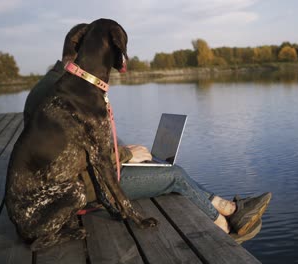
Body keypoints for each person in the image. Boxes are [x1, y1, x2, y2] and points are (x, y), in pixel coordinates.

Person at [23, 23, 271, 243]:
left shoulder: (55, 84)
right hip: (88, 188)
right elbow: (78, 162)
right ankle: (225, 228)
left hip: (85, 180)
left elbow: (70, 149)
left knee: (163, 167)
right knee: (174, 175)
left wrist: (121, 152)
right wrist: (126, 154)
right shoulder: (55, 93)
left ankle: (228, 207)